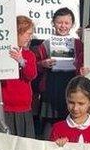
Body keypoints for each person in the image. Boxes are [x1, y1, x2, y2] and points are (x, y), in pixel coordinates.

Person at [34, 8, 81, 136]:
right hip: (51, 86)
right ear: (53, 23)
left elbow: (83, 64)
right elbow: (34, 65)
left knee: (70, 120)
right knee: (49, 123)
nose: (63, 26)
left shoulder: (78, 44)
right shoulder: (46, 44)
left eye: (67, 23)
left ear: (72, 25)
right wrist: (42, 64)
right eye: (60, 22)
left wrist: (79, 67)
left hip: (71, 86)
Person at [0, 16, 38, 138]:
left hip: (23, 107)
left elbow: (31, 75)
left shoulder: (29, 55)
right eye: (27, 33)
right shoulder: (2, 53)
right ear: (17, 32)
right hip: (3, 107)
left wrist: (22, 62)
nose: (29, 37)